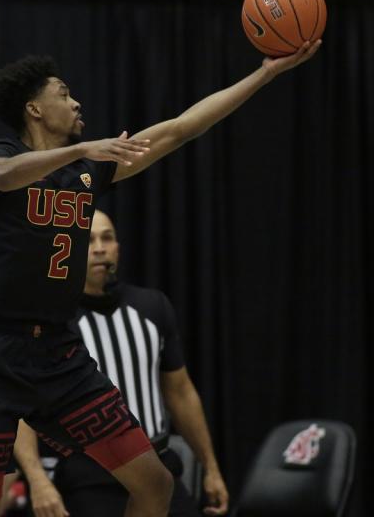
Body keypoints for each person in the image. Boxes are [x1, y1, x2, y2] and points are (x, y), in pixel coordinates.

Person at [0, 41, 321, 517]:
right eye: (64, 94)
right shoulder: (4, 152)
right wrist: (81, 148)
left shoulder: (87, 171)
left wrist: (265, 74)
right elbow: (0, 176)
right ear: (34, 108)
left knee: (155, 483)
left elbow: (182, 129)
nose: (76, 102)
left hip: (59, 354)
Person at [14, 210, 229, 516]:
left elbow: (180, 393)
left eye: (107, 237)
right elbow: (23, 408)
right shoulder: (51, 321)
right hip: (89, 475)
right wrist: (38, 481)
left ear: (119, 247)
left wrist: (211, 467)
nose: (100, 247)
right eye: (87, 240)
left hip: (158, 466)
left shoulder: (153, 307)